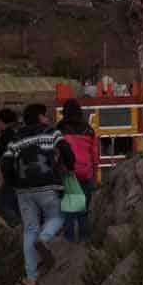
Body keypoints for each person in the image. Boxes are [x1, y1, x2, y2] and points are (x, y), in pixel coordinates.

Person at [0, 103, 75, 285]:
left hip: (23, 190)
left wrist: (12, 183)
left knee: (29, 229)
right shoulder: (51, 132)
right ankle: (45, 237)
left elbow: (5, 164)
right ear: (40, 117)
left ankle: (31, 278)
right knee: (58, 216)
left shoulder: (16, 139)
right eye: (46, 115)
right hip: (47, 185)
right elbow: (66, 151)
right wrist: (69, 167)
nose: (48, 118)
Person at [57, 98, 99, 242]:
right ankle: (84, 241)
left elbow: (55, 153)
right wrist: (94, 175)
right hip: (86, 173)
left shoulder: (59, 129)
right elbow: (95, 155)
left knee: (69, 209)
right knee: (83, 210)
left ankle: (68, 241)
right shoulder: (89, 130)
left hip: (68, 173)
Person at [0, 108, 20, 225]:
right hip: (17, 176)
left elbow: (3, 152)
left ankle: (17, 226)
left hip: (11, 177)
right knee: (13, 204)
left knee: (0, 203)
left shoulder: (6, 135)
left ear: (1, 122)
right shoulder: (16, 134)